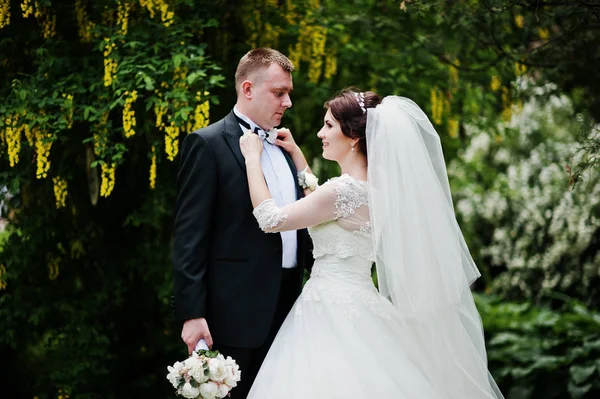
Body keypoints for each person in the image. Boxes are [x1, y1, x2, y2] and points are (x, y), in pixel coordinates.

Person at [239, 89, 505, 398]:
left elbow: (271, 219)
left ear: (352, 136)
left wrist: (251, 158)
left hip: (327, 308)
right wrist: (298, 157)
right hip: (360, 301)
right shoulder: (375, 192)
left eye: (328, 125)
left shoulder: (341, 191)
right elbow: (320, 207)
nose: (320, 133)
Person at [171, 48, 313, 399]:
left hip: (291, 306)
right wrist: (192, 313)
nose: (288, 103)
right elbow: (189, 237)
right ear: (247, 89)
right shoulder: (207, 144)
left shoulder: (285, 146)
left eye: (289, 93)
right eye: (279, 93)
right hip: (233, 312)